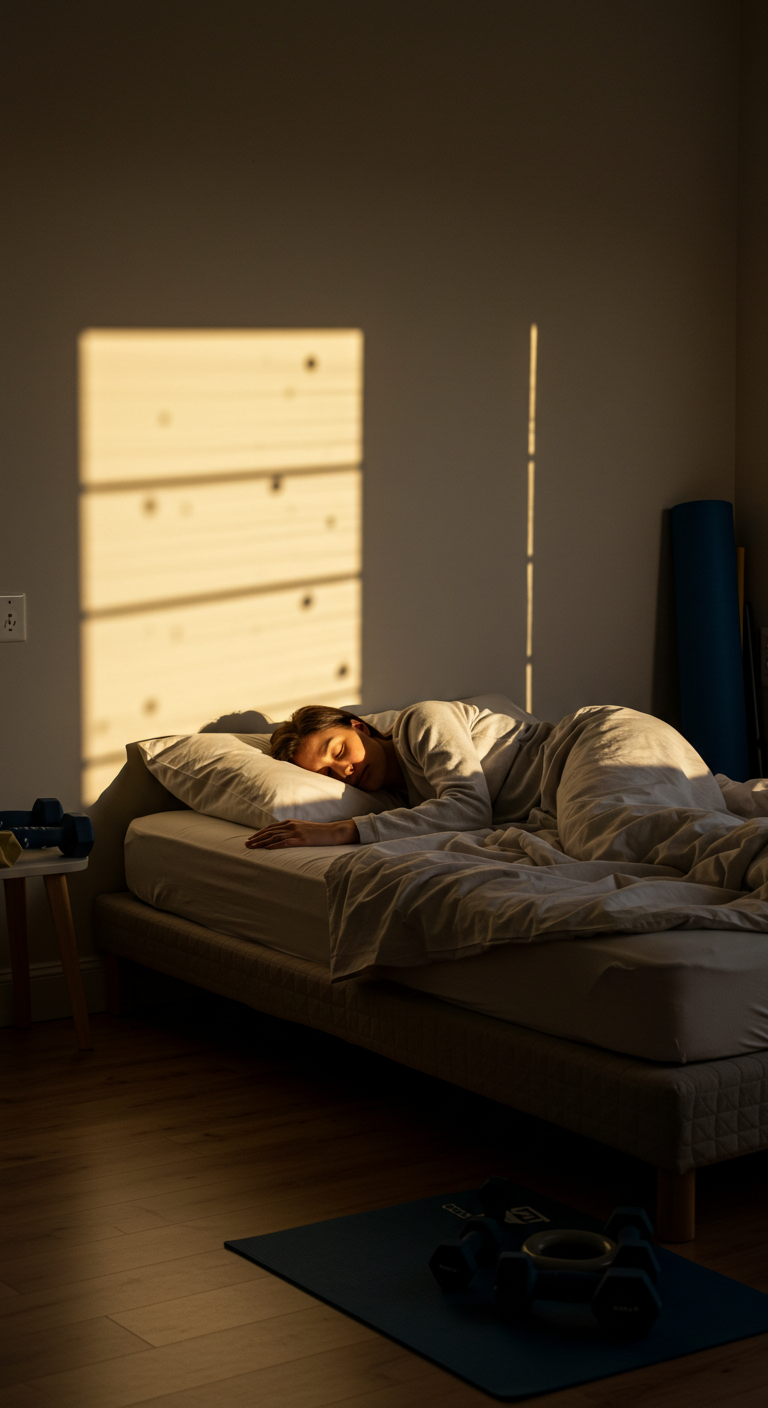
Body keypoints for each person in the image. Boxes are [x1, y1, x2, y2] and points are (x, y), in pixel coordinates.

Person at [245, 699, 768, 893]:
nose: (345, 769)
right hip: (566, 787)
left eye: (338, 749)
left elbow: (468, 809)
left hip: (590, 742)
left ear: (358, 725)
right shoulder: (398, 797)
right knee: (719, 804)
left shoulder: (421, 722)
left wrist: (343, 830)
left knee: (605, 829)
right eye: (328, 772)